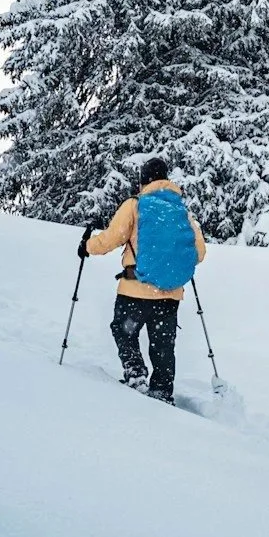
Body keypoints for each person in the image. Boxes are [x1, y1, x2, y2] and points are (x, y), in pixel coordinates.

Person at [81, 157, 205, 403]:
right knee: (163, 347)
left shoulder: (135, 205)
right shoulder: (182, 212)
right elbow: (199, 253)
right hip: (170, 294)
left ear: (143, 180)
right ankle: (161, 392)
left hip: (134, 290)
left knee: (123, 330)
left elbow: (111, 238)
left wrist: (87, 246)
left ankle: (136, 375)